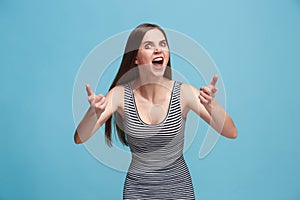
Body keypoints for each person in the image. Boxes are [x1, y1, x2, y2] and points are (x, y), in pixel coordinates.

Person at [74, 23, 238, 199]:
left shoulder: (184, 93)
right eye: (148, 46)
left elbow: (231, 132)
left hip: (179, 192)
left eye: (163, 44)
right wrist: (94, 112)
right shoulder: (120, 96)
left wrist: (211, 105)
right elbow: (79, 138)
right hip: (137, 193)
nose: (158, 50)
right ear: (135, 58)